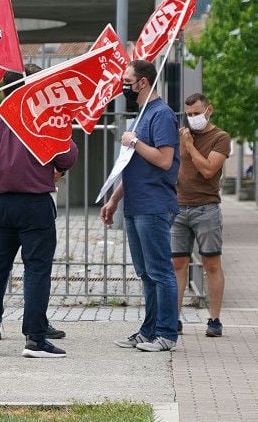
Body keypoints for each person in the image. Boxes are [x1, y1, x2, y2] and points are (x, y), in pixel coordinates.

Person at [0, 66, 71, 359]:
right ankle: (35, 338)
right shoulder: (42, 116)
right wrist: (59, 168)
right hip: (35, 202)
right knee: (37, 270)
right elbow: (67, 154)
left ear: (3, 89)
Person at [101, 59, 181, 352]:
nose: (124, 86)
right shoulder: (141, 115)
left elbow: (163, 159)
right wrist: (113, 199)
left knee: (160, 271)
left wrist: (134, 141)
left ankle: (166, 334)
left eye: (127, 80)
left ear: (143, 82)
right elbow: (132, 166)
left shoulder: (161, 115)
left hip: (155, 205)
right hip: (135, 204)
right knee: (146, 273)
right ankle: (148, 331)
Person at [171, 93, 230, 338]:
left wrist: (190, 146)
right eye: (189, 114)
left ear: (209, 111)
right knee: (177, 263)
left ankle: (214, 319)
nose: (193, 118)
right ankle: (173, 318)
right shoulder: (181, 135)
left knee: (211, 263)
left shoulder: (220, 138)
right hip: (179, 207)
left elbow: (207, 170)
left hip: (206, 208)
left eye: (197, 113)